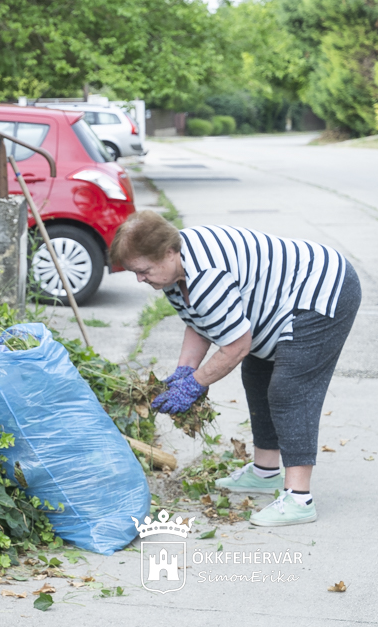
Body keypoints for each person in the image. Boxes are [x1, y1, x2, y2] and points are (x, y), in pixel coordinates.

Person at [112, 210, 359, 527]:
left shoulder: (205, 276)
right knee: (256, 374)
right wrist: (183, 372)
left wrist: (195, 384)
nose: (139, 279)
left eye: (143, 270)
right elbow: (200, 322)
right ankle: (265, 472)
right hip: (278, 299)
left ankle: (300, 499)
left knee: (290, 388)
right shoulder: (173, 276)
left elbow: (236, 346)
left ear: (169, 252)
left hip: (323, 290)